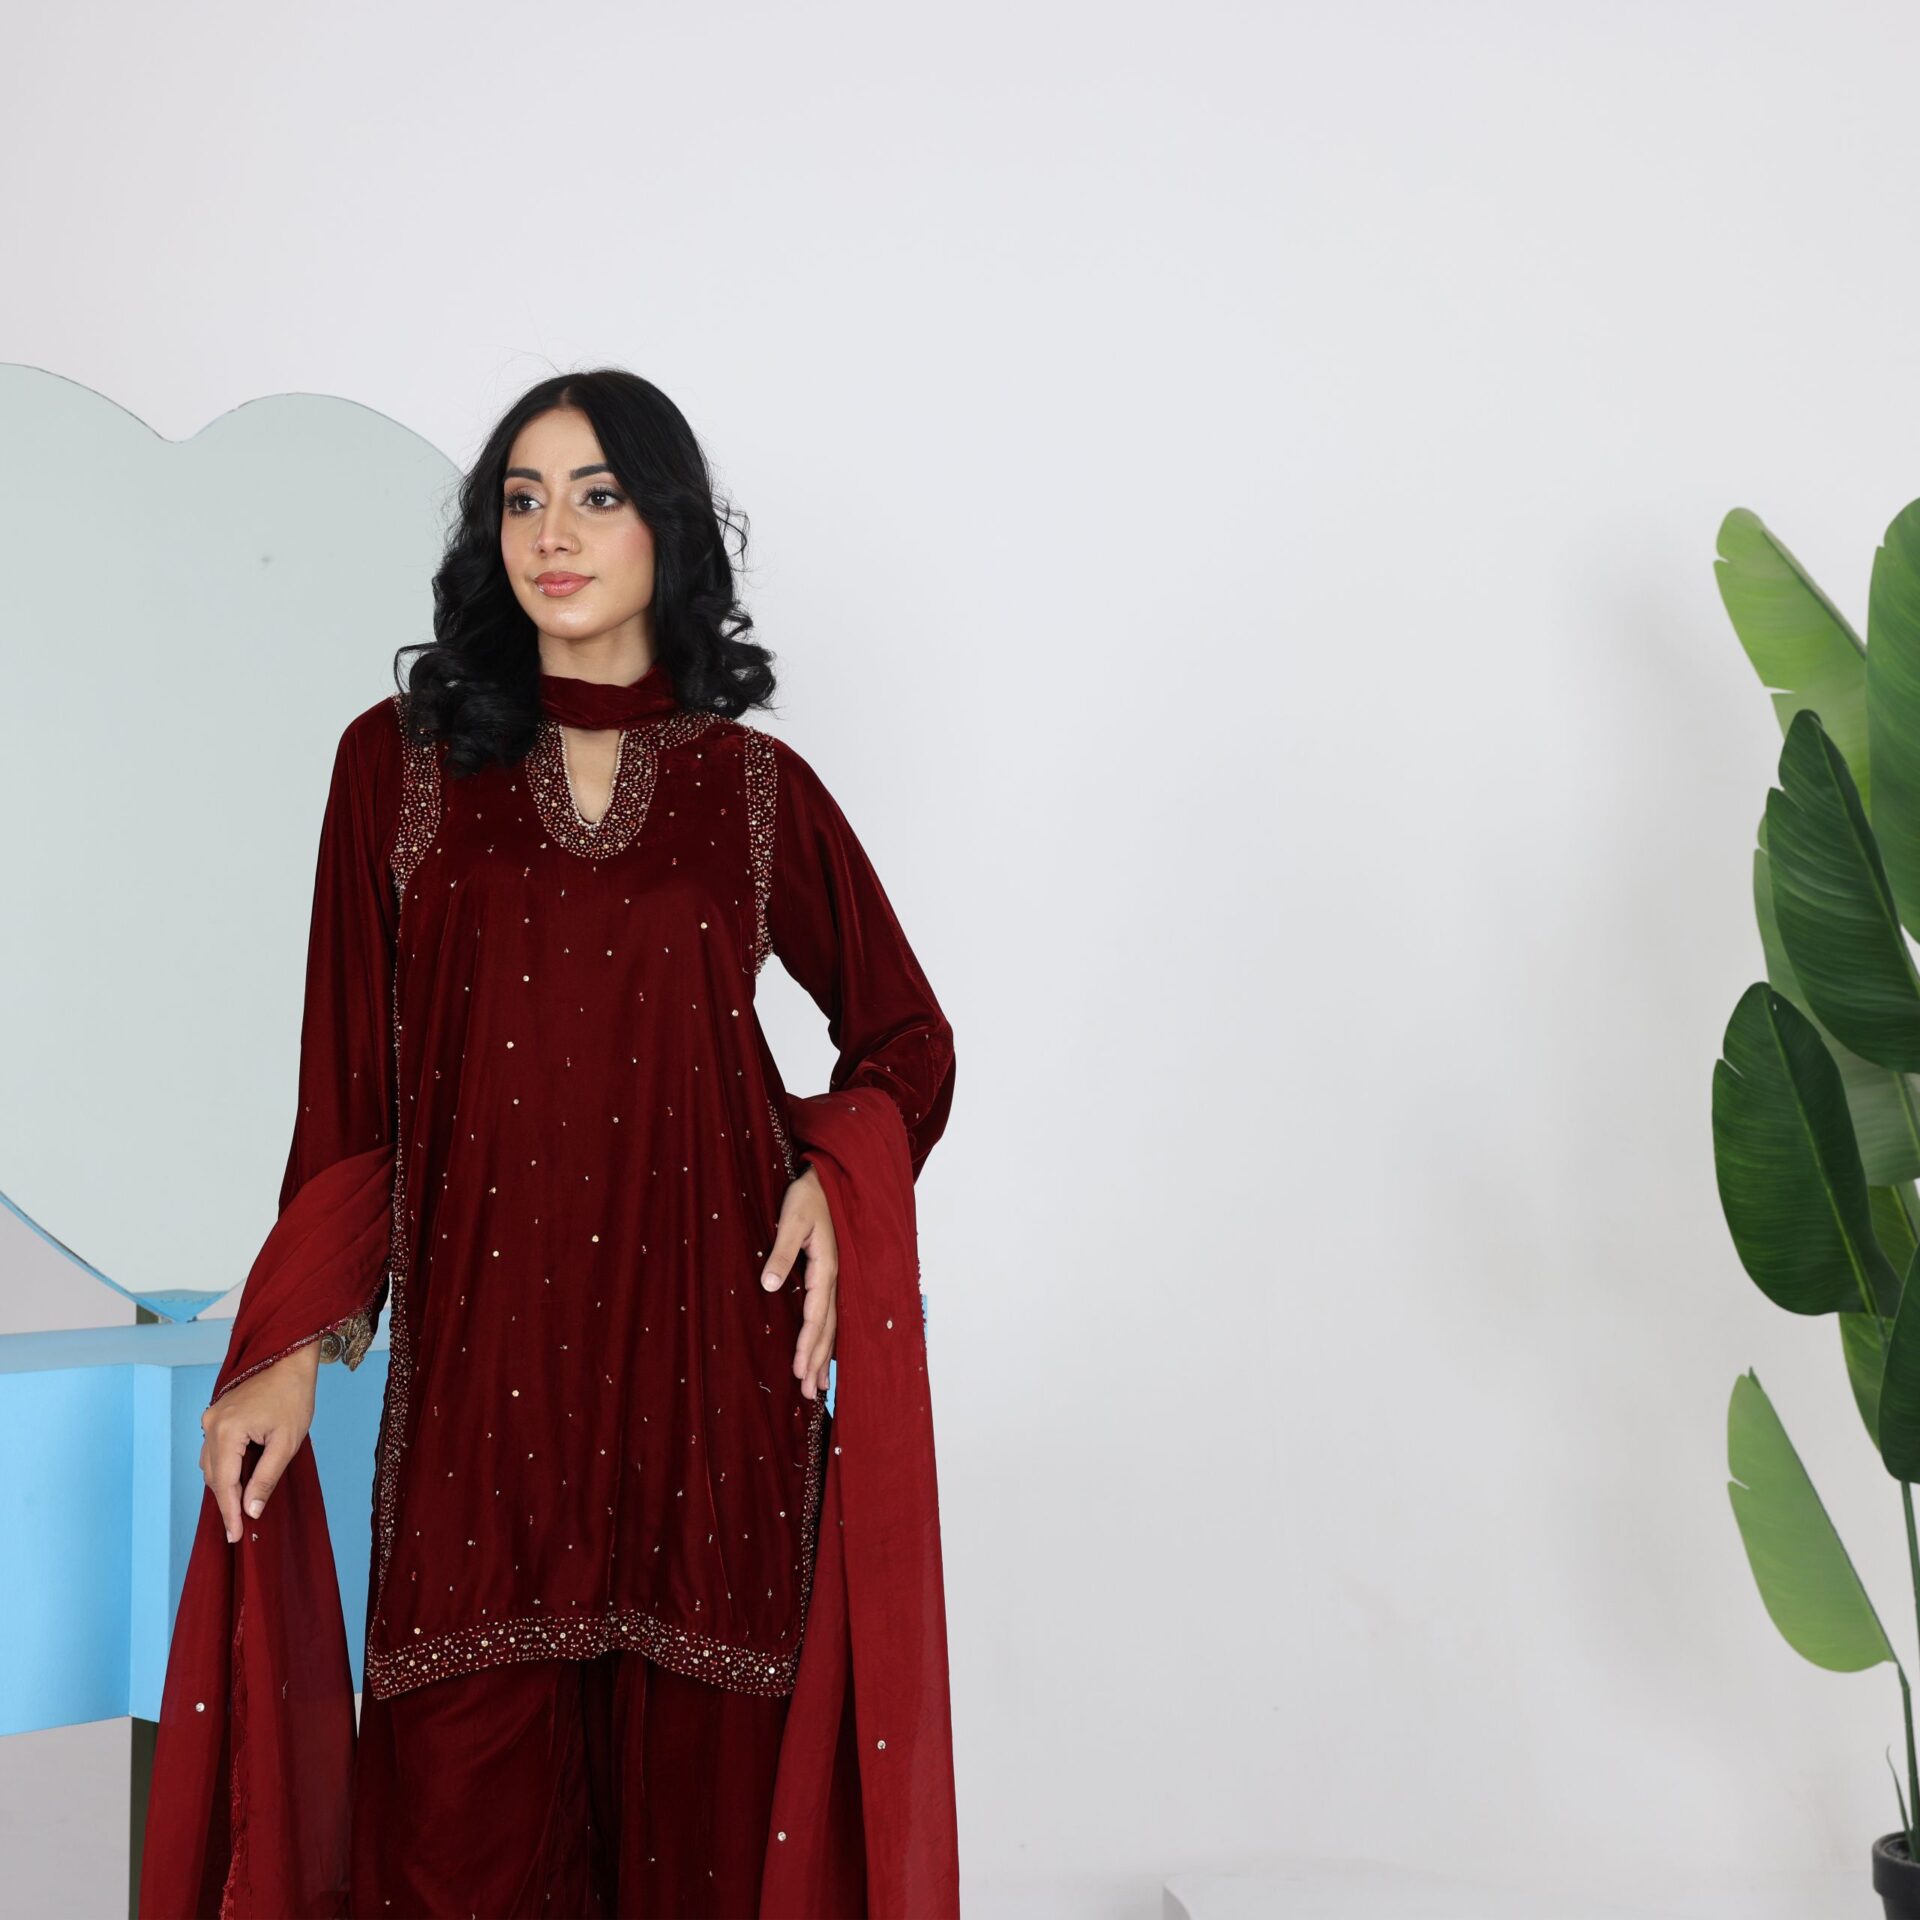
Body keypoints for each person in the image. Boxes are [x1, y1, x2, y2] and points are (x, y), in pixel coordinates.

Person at [138, 368, 961, 1918]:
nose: (553, 534)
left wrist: (837, 1184)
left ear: (670, 531)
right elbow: (347, 1101)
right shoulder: (395, 767)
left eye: (597, 497)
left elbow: (907, 1040)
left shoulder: (752, 792)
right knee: (455, 1843)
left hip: (711, 1398)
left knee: (704, 1848)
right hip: (480, 1412)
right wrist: (290, 1344)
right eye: (522, 499)